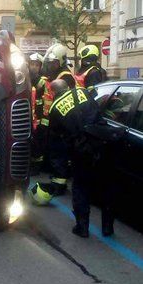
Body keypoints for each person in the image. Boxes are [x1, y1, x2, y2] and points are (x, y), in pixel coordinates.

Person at [32, 80, 113, 237]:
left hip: (81, 150)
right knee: (105, 186)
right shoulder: (82, 91)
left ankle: (82, 227)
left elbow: (57, 143)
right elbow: (97, 110)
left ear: (54, 92)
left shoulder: (55, 108)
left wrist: (60, 170)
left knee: (81, 188)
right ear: (68, 87)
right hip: (102, 142)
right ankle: (108, 227)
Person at [36, 43, 77, 197]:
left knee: (59, 152)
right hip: (54, 120)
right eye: (50, 62)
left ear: (59, 61)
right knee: (54, 152)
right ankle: (57, 179)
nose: (51, 65)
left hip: (61, 121)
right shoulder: (57, 75)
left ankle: (60, 185)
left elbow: (65, 101)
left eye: (53, 62)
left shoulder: (65, 77)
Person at [28, 53, 49, 173]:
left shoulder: (43, 82)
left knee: (38, 143)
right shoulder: (24, 79)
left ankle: (37, 167)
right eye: (32, 64)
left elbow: (47, 101)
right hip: (27, 117)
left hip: (39, 118)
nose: (34, 67)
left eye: (37, 65)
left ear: (40, 67)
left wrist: (44, 121)